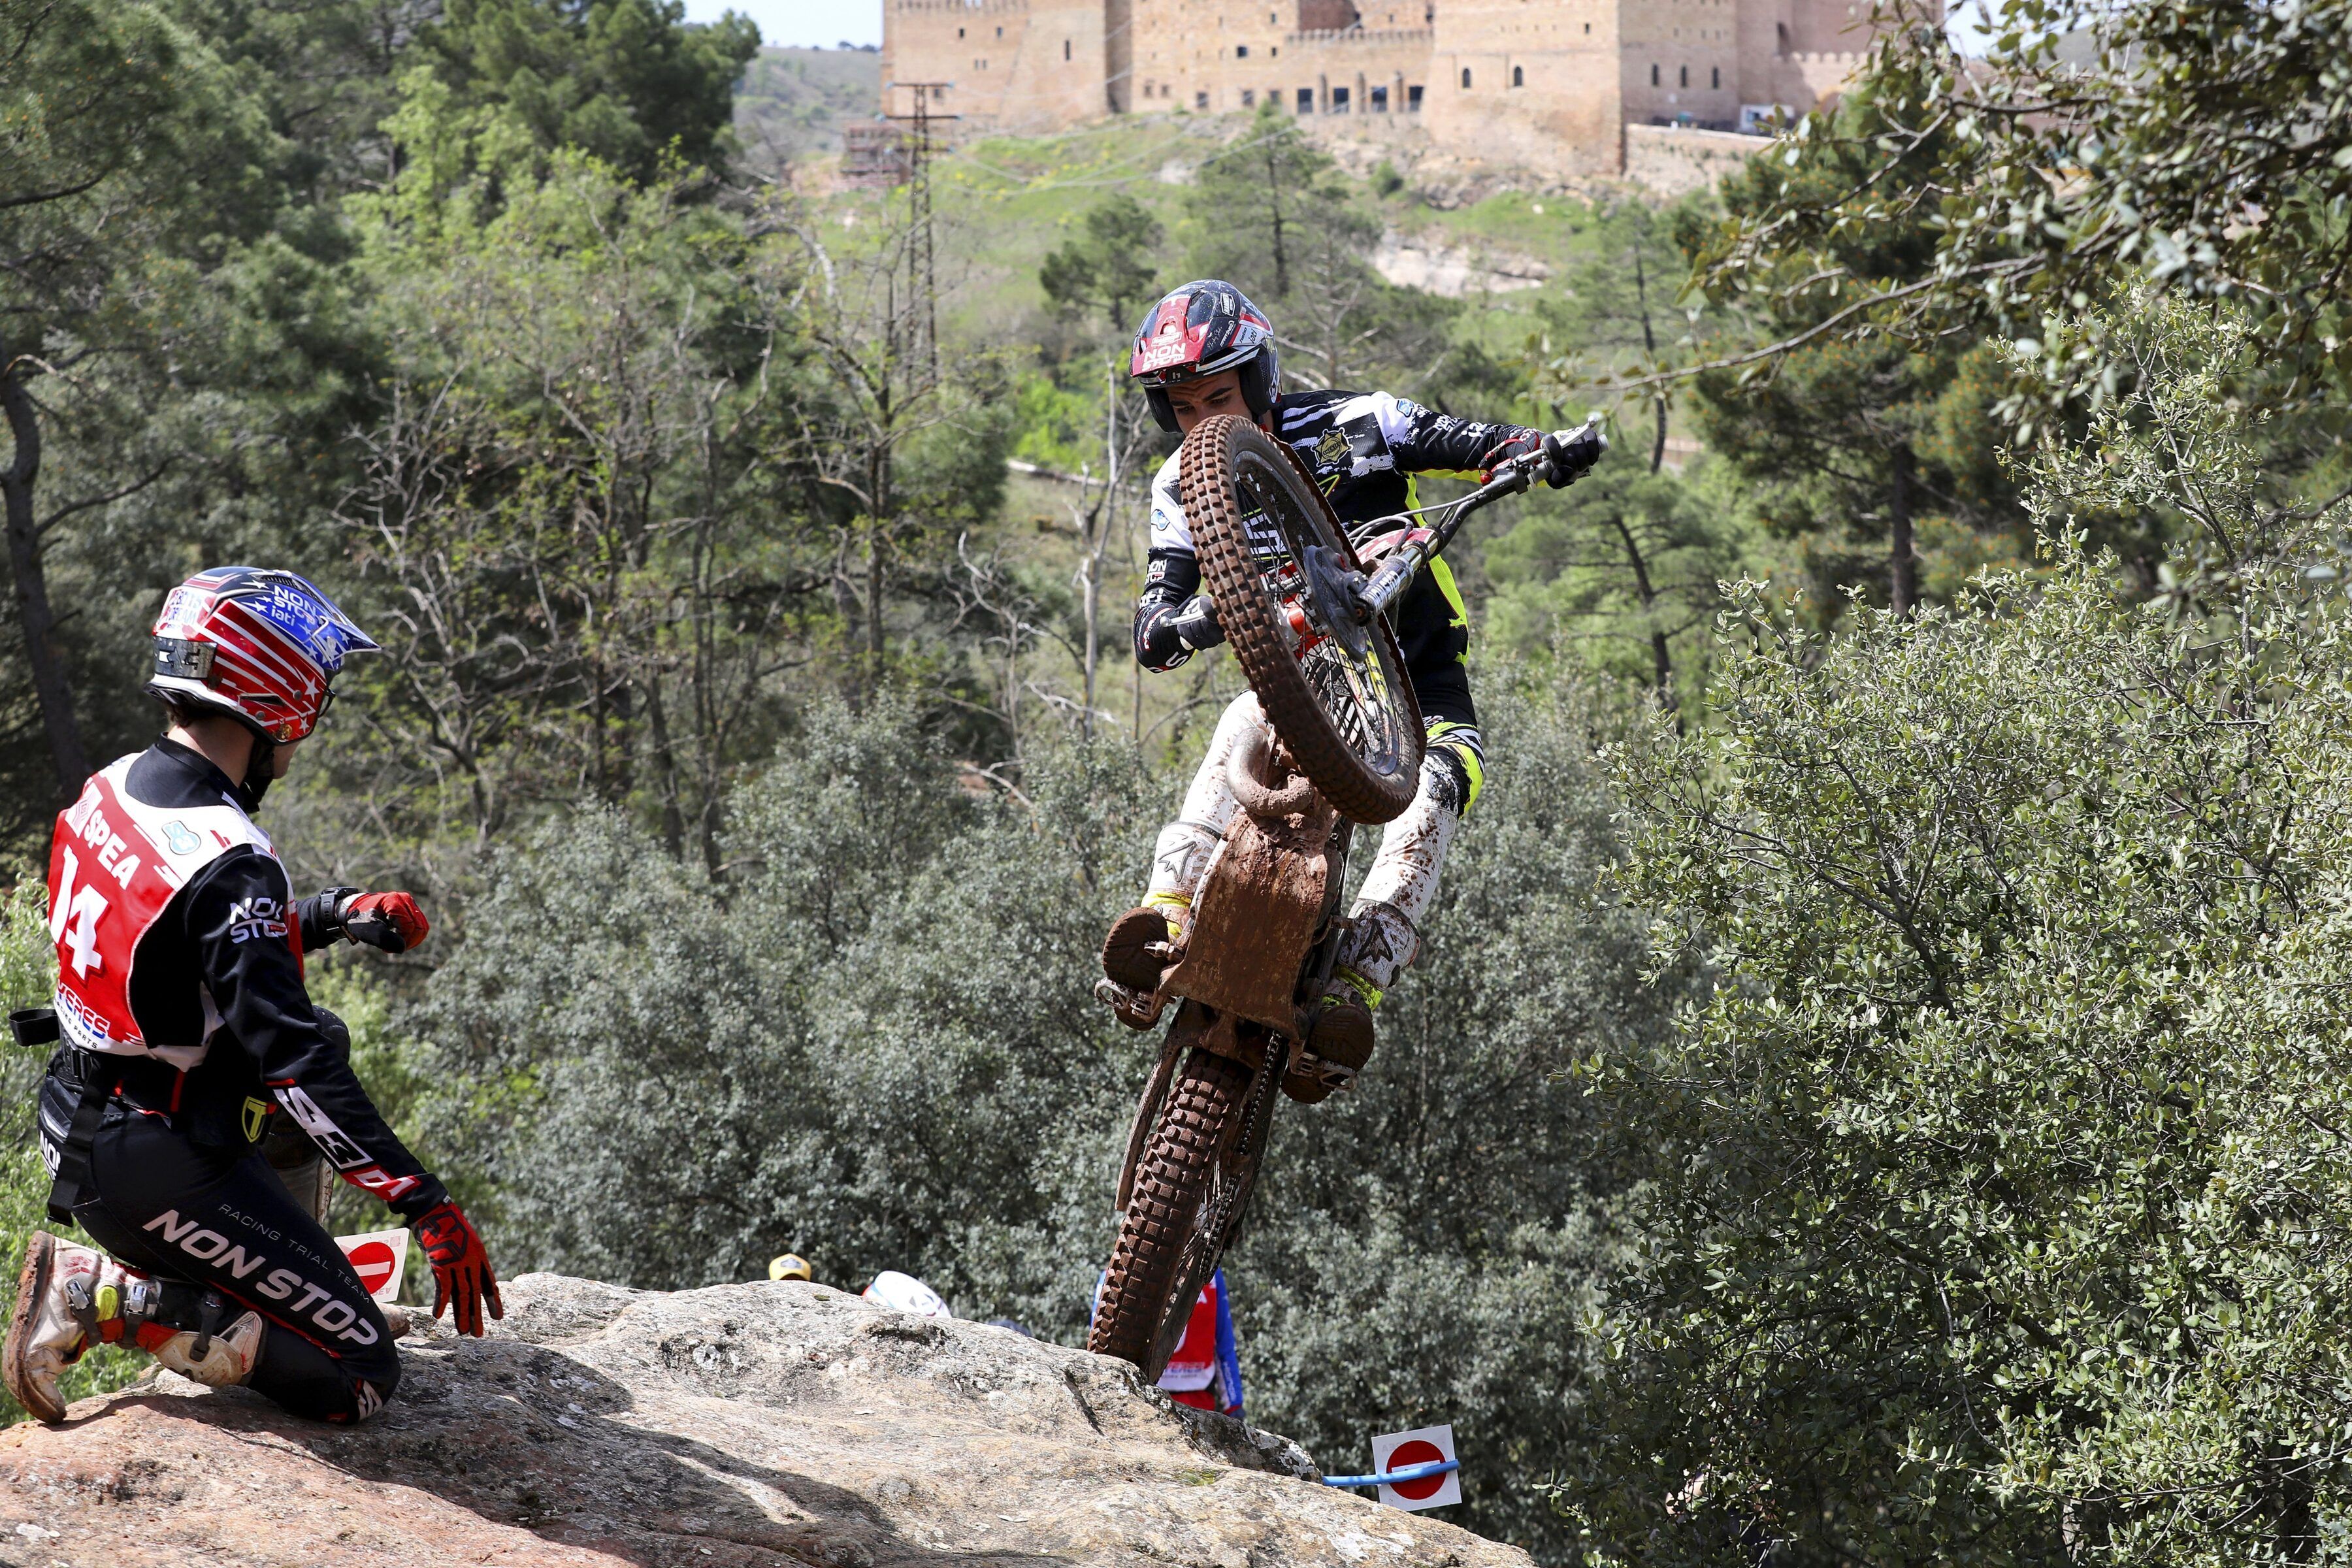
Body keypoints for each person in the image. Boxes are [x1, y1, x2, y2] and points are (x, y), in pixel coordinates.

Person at [3, 566, 502, 1426]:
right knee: (361, 1375)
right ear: (281, 697)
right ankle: (106, 1295)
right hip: (151, 1162)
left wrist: (334, 916)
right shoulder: (231, 856)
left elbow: (170, 947)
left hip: (84, 1123)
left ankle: (285, 1276)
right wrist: (426, 1203)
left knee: (325, 1036)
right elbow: (293, 1065)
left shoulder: (108, 793)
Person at [1101, 281, 1596, 1080]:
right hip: (1300, 682)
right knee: (1240, 721)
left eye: (1220, 397)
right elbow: (1153, 627)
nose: (1205, 422)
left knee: (1442, 783)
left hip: (1419, 672)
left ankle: (1356, 985)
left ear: (1261, 377)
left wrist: (1546, 449)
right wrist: (1187, 621)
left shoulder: (1358, 422)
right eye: (1183, 410)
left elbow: (1476, 441)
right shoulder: (1177, 488)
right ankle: (1164, 913)